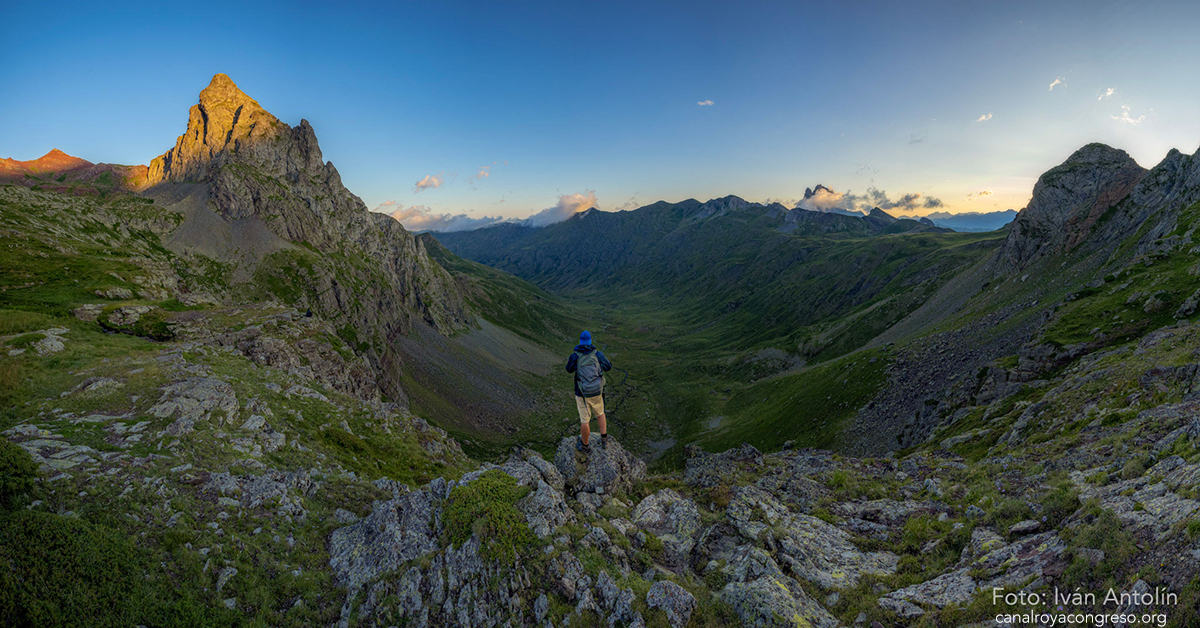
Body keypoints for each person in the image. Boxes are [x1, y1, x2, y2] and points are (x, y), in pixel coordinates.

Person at [565, 330, 612, 453]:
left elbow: (568, 369)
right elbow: (608, 367)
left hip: (582, 394)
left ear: (580, 342)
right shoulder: (598, 355)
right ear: (590, 341)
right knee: (600, 413)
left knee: (585, 420)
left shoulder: (575, 356)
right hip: (597, 391)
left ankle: (585, 446)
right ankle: (604, 439)